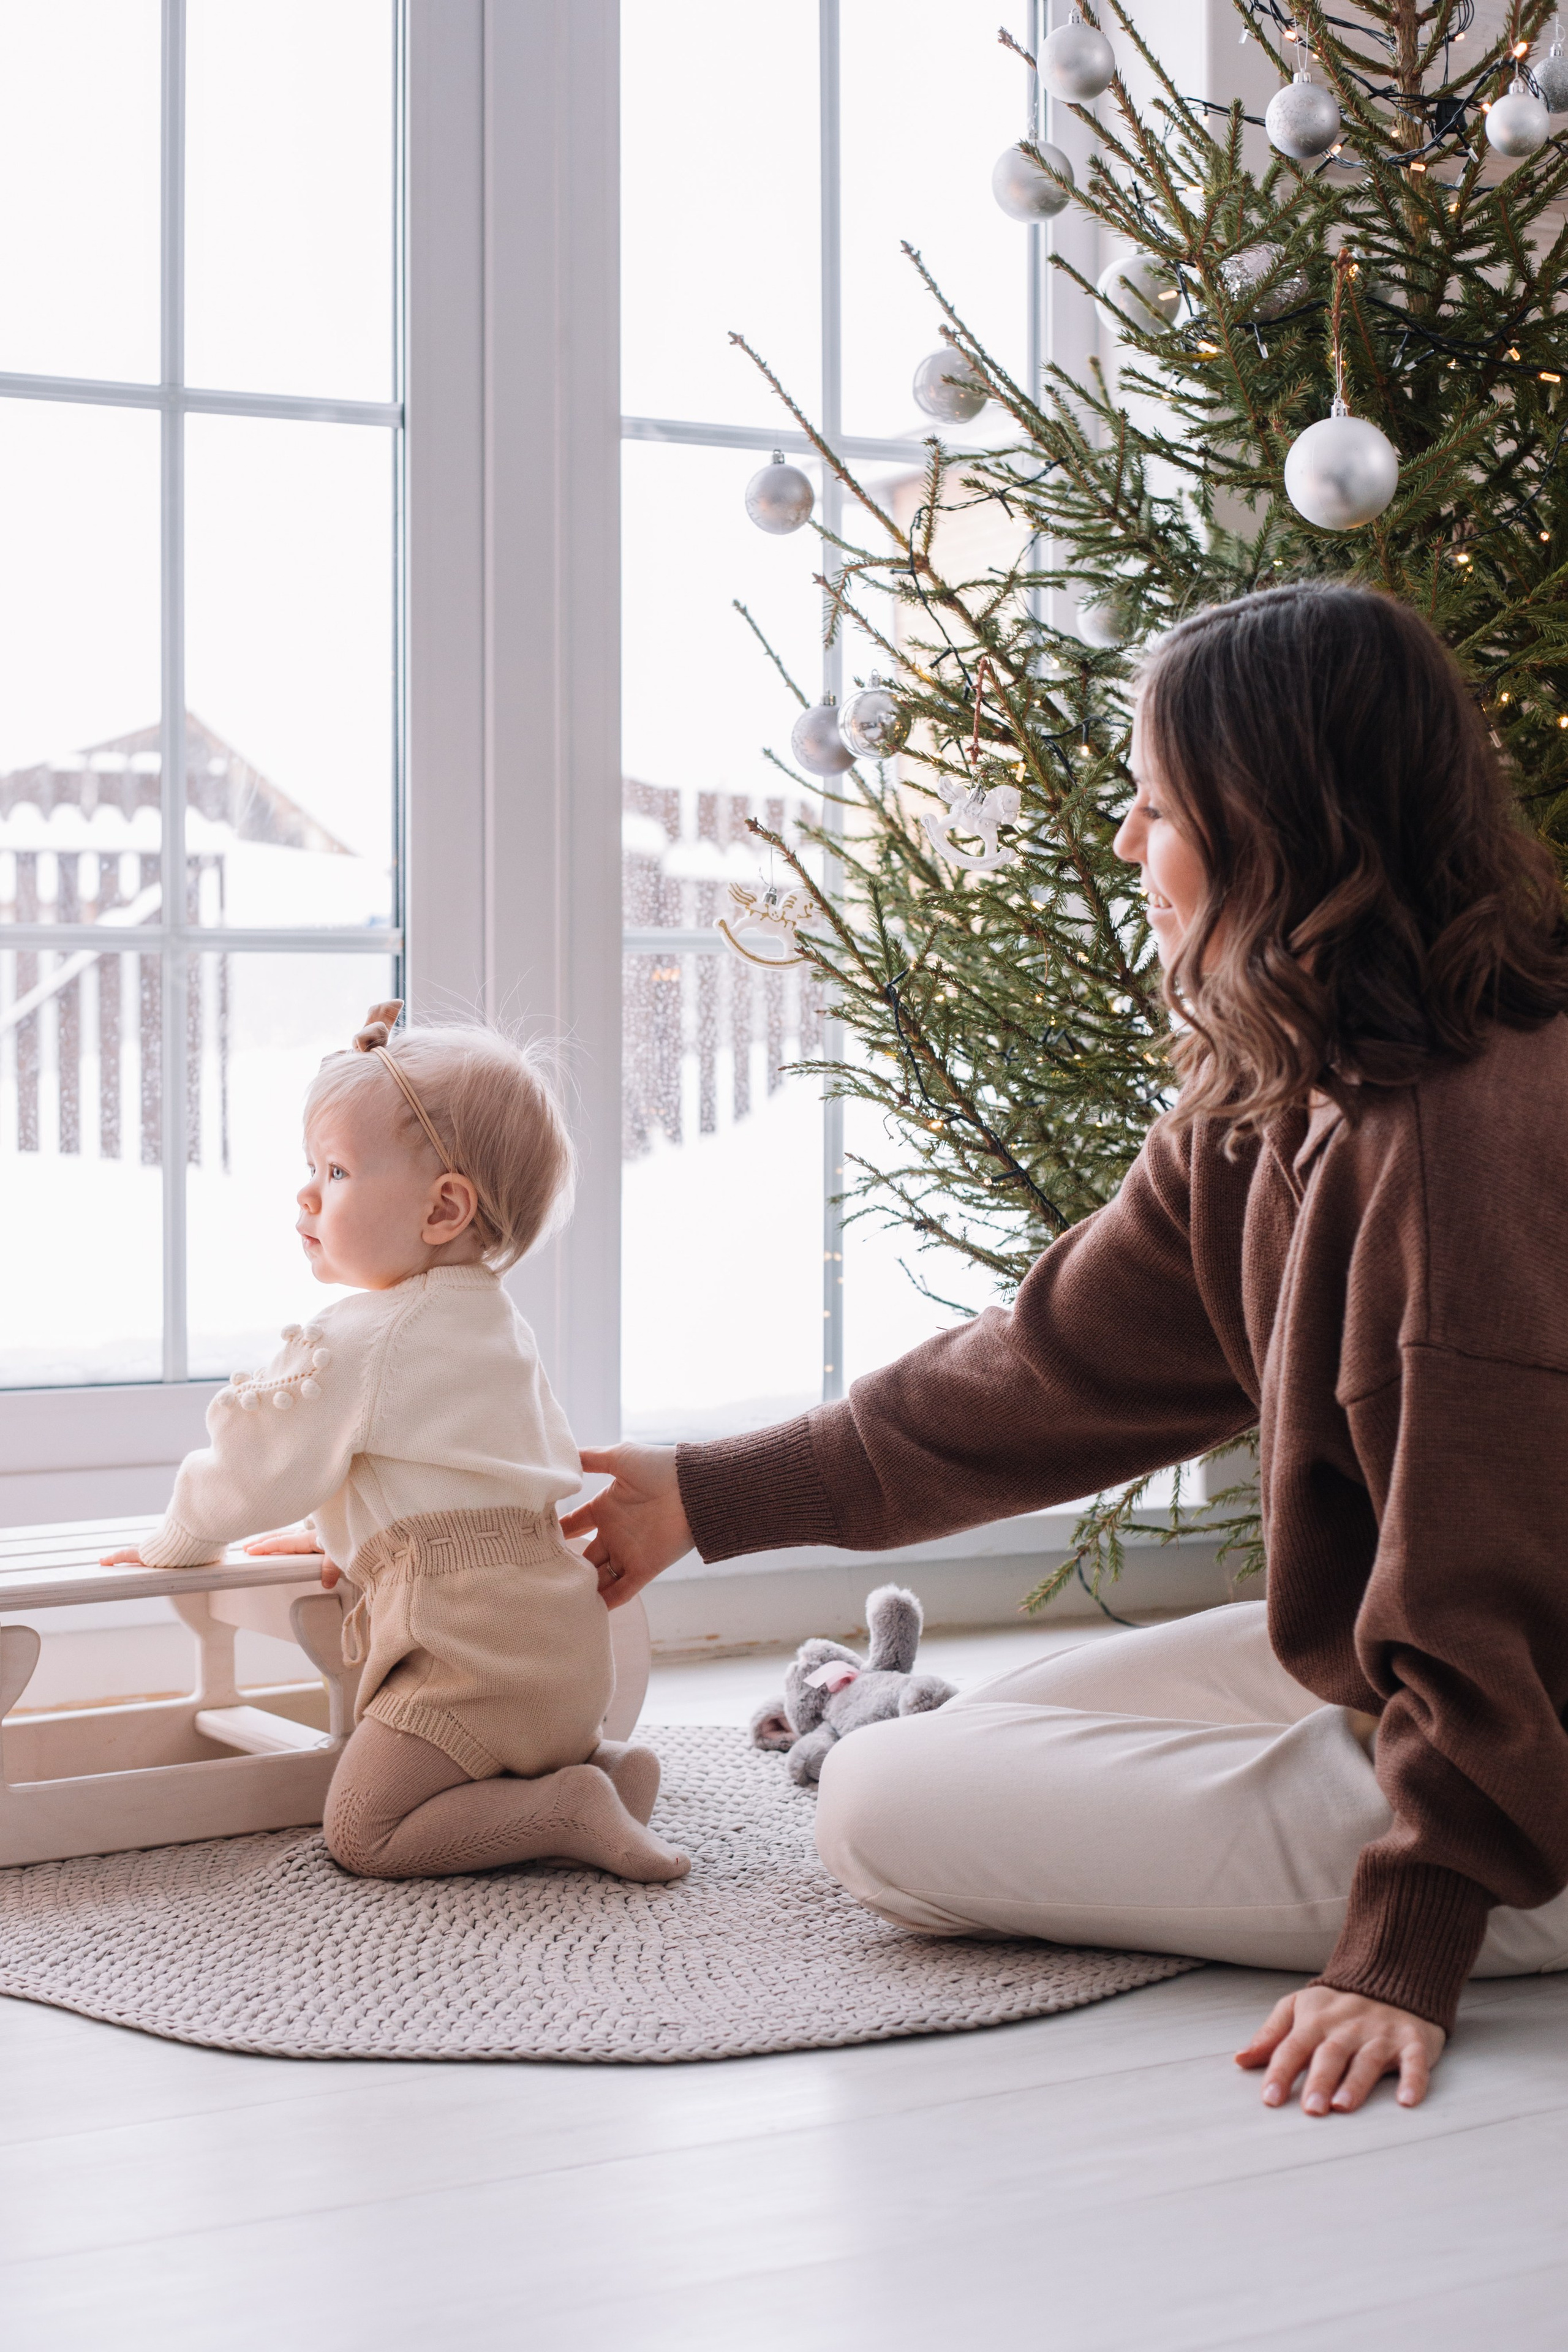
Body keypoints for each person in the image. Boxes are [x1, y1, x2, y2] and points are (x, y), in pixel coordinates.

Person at [567, 583, 1568, 2113]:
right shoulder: (1274, 1097)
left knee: (879, 1802)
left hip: (1522, 1770)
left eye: (1153, 805)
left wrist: (1402, 1944)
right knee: (1001, 1725)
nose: (1121, 841)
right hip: (1442, 1684)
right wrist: (700, 1496)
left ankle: (1476, 1876)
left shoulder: (1460, 1149)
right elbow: (1040, 1373)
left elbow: (1488, 1591)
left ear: (1267, 828)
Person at [104, 1004, 687, 1886]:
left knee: (365, 1830)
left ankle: (566, 1808)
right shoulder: (492, 1321)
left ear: (444, 1207)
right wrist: (340, 1530)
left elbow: (258, 1468)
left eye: (336, 1171)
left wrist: (182, 1535)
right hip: (564, 1651)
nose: (307, 1194)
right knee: (490, 1753)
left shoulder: (361, 1338)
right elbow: (453, 1483)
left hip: (467, 1657)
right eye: (311, 1168)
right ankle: (603, 1767)